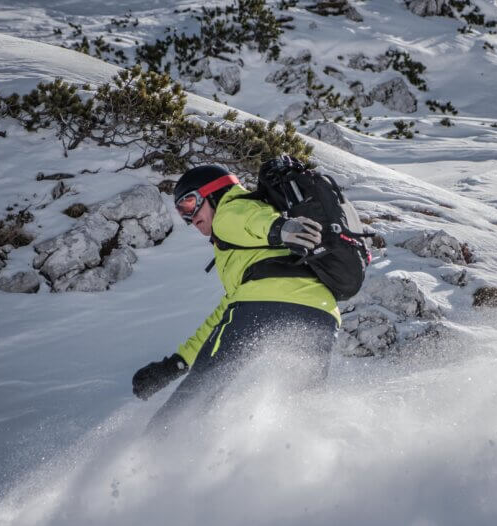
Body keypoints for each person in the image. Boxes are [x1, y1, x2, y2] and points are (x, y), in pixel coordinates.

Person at [131, 162, 341, 430]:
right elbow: (228, 310)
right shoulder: (249, 248)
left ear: (214, 192)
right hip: (320, 314)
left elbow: (251, 221)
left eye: (189, 203)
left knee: (200, 390)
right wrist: (177, 363)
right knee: (300, 405)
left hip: (264, 304)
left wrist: (281, 228)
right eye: (181, 212)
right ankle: (297, 451)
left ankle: (156, 446)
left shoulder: (231, 209)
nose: (189, 218)